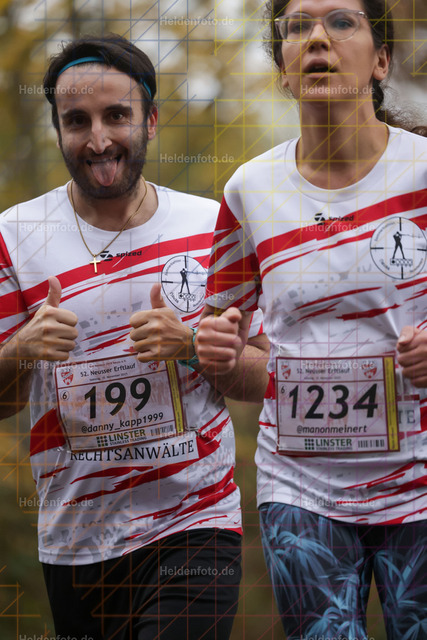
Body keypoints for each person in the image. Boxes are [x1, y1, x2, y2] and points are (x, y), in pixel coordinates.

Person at [0, 34, 269, 640]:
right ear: (57, 129)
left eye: (116, 116)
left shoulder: (212, 226)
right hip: (75, 541)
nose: (98, 140)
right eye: (77, 121)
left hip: (195, 524)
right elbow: (2, 400)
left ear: (150, 121)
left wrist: (193, 346)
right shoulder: (16, 235)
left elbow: (266, 376)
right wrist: (22, 349)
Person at [195, 1, 427, 638]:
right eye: (298, 26)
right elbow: (235, 364)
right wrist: (216, 354)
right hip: (300, 491)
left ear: (381, 61)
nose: (318, 37)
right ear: (283, 69)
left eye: (342, 22)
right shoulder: (249, 191)